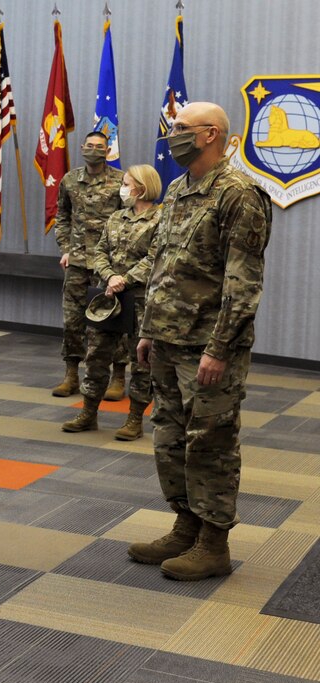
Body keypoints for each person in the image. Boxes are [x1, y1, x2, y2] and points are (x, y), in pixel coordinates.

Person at [128, 102, 272, 581]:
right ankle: (185, 525)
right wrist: (149, 330)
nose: (171, 135)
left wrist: (220, 349)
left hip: (208, 348)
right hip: (167, 341)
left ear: (211, 134)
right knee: (169, 437)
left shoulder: (239, 194)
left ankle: (214, 543)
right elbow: (164, 267)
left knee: (209, 440)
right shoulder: (177, 188)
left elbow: (242, 283)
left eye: (181, 129)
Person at [62, 164, 162, 440]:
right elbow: (100, 252)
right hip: (108, 296)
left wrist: (125, 280)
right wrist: (109, 277)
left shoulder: (161, 220)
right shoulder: (116, 217)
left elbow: (155, 259)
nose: (123, 187)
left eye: (127, 183)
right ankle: (88, 413)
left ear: (141, 188)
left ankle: (134, 420)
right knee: (96, 355)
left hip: (141, 299)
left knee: (141, 361)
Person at [53, 131, 126, 398]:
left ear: (108, 151)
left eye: (100, 147)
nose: (94, 150)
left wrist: (121, 258)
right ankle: (71, 374)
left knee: (112, 320)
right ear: (82, 147)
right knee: (72, 320)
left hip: (109, 264)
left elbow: (128, 218)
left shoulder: (121, 181)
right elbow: (62, 215)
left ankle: (118, 377)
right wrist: (65, 249)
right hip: (78, 262)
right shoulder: (70, 180)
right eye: (90, 146)